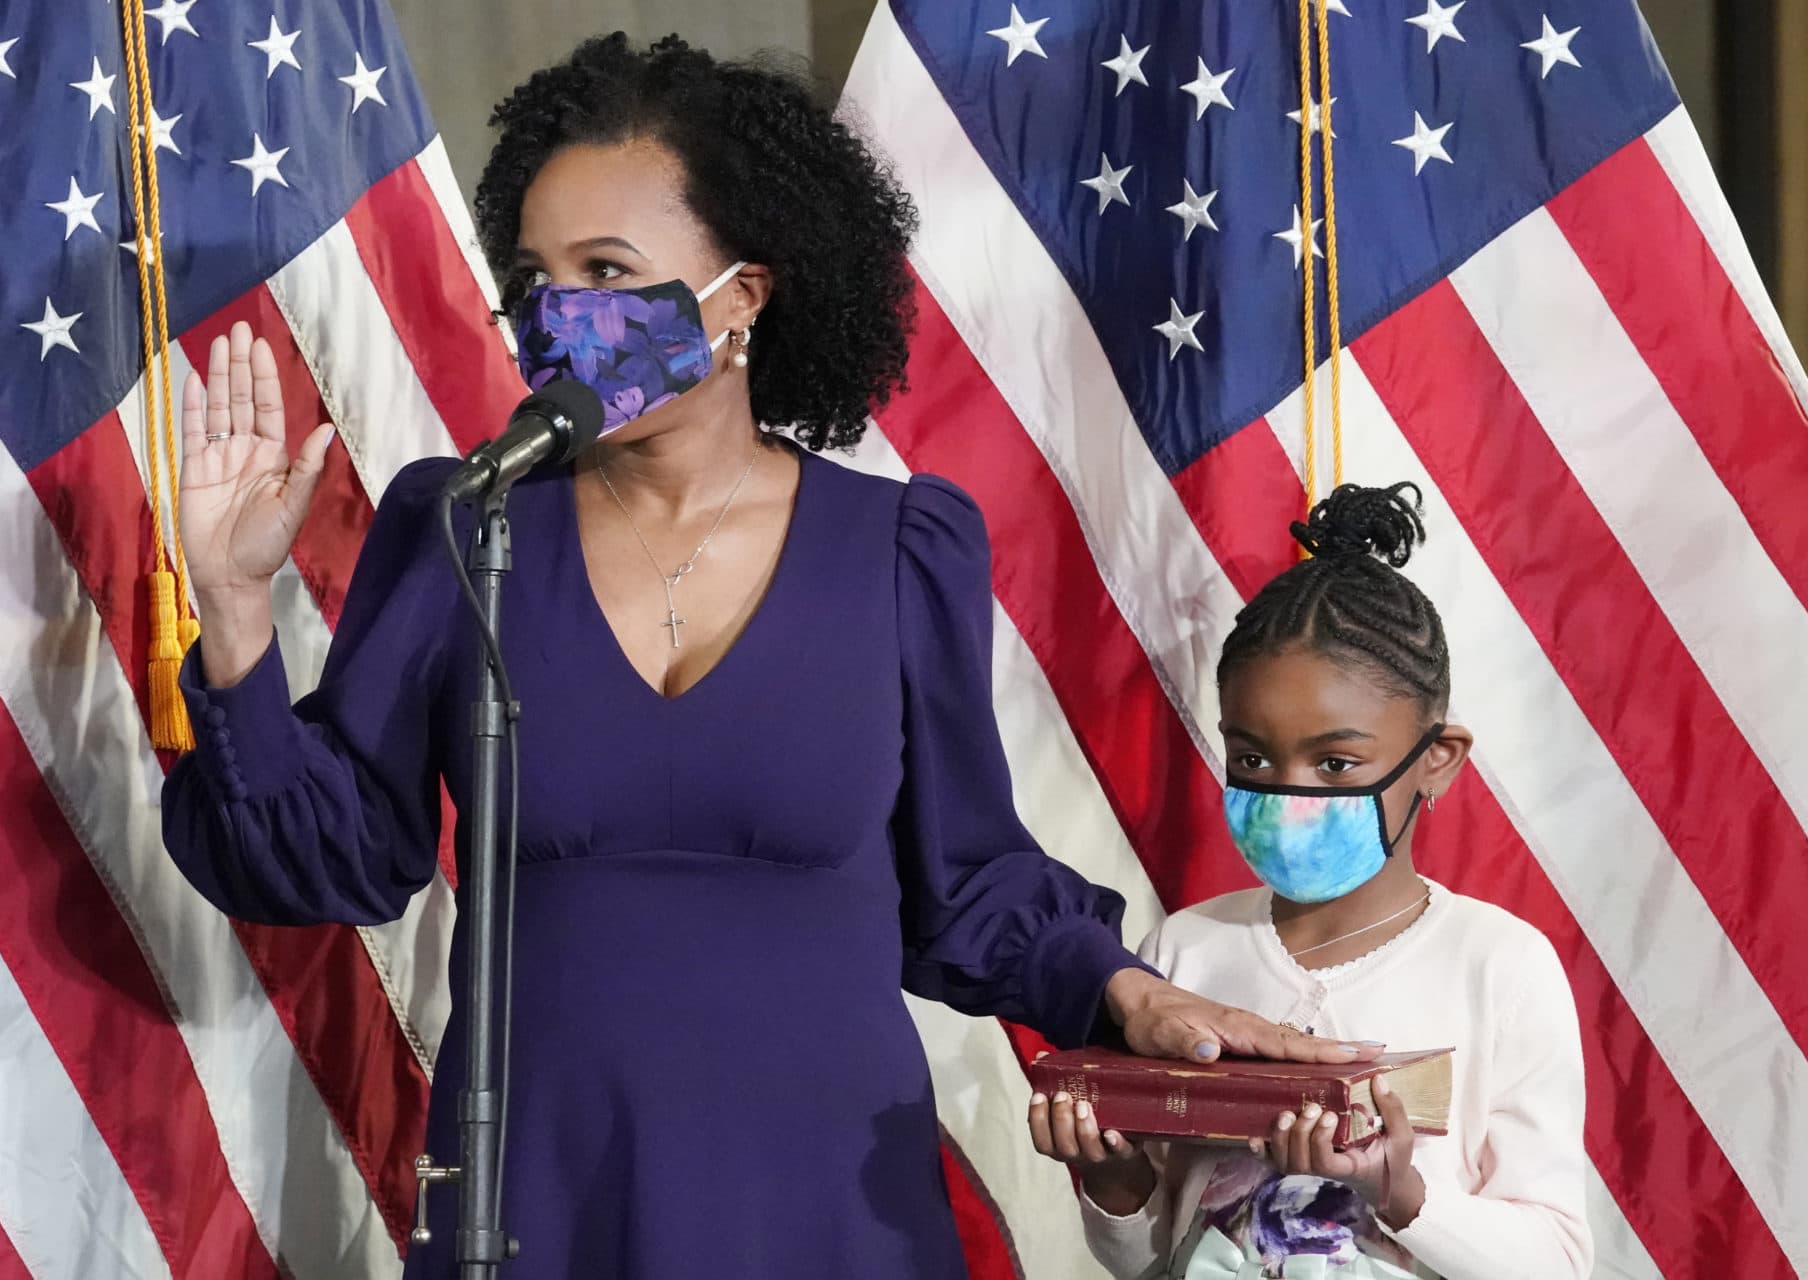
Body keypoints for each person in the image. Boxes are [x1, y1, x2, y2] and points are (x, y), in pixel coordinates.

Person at [163, 33, 1377, 1280]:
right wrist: (235, 607)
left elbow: (967, 886)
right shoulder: (465, 526)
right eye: (534, 276)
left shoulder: (900, 549)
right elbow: (335, 856)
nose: (558, 314)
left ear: (743, 295)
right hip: (539, 1199)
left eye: (608, 271)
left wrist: (1126, 991)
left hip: (830, 1206)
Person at [1030, 484, 1593, 1280]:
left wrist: (1395, 1188)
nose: (1289, 794)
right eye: (1253, 759)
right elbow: (1149, 1260)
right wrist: (1112, 1182)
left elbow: (1558, 1260)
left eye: (1335, 762)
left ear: (1438, 759)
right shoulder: (1182, 953)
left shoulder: (1500, 963)